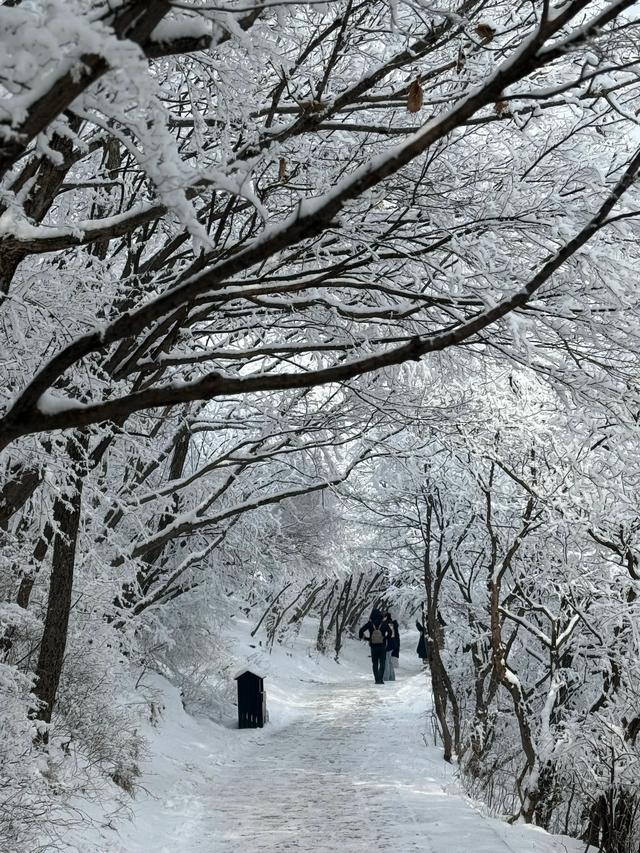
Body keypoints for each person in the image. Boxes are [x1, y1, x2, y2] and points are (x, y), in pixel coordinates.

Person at [358, 608, 391, 684]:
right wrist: (384, 638)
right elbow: (390, 633)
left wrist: (366, 638)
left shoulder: (370, 624)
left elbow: (361, 630)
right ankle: (380, 679)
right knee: (382, 663)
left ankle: (376, 679)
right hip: (382, 646)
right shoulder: (384, 623)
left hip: (373, 646)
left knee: (375, 663)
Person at [383, 612, 399, 681]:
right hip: (392, 644)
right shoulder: (392, 624)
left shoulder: (387, 624)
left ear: (386, 617)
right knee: (389, 661)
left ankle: (386, 677)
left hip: (387, 644)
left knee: (386, 661)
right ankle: (392, 677)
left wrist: (384, 638)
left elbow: (388, 635)